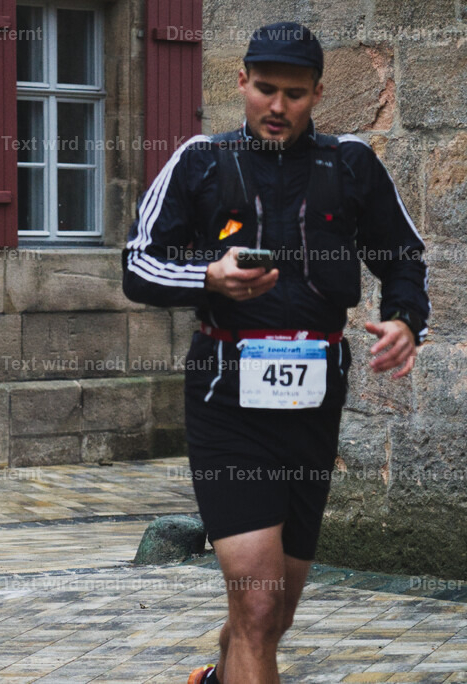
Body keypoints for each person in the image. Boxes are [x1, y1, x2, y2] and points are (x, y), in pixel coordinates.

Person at [122, 23, 429, 684]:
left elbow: (403, 255)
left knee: (273, 613)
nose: (278, 106)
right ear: (242, 82)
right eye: (265, 90)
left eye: (294, 94)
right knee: (259, 609)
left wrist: (405, 320)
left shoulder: (350, 163)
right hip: (226, 398)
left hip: (314, 401)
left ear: (318, 93)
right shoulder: (200, 160)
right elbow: (138, 266)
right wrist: (208, 276)